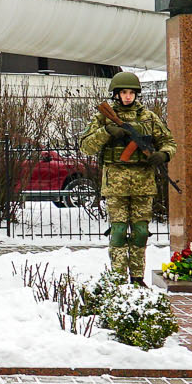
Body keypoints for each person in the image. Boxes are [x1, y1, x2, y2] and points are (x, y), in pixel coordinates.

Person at [77, 72, 176, 284]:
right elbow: (85, 146)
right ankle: (118, 279)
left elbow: (169, 141)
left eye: (131, 92)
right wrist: (106, 132)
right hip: (115, 185)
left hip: (143, 184)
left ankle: (137, 278)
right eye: (124, 92)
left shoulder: (148, 118)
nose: (128, 96)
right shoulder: (103, 117)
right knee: (119, 232)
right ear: (116, 94)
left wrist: (163, 154)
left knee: (140, 232)